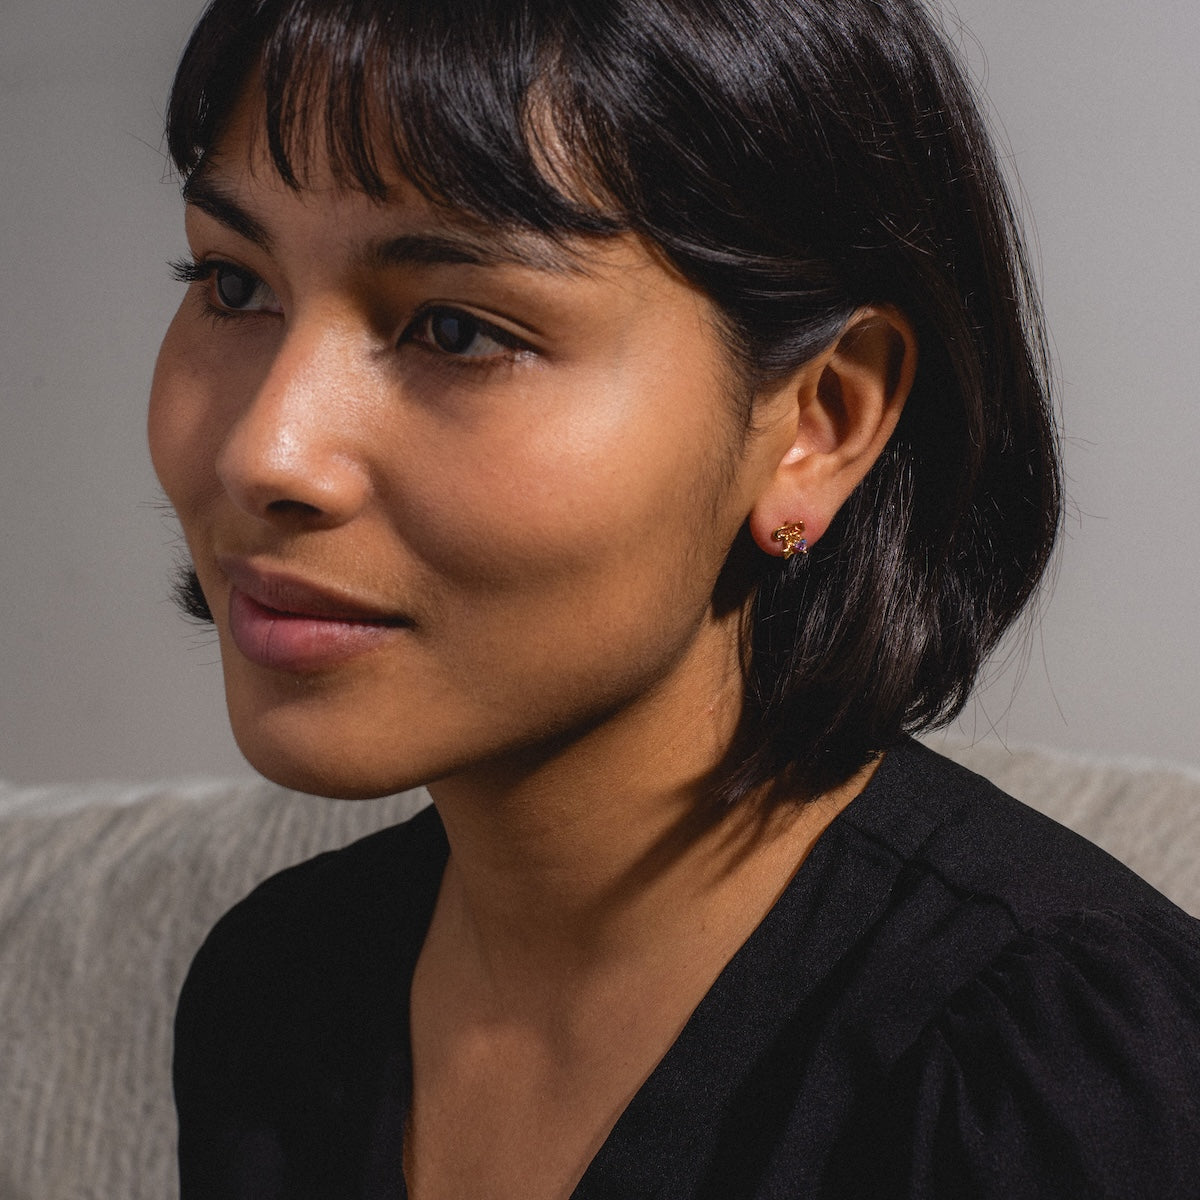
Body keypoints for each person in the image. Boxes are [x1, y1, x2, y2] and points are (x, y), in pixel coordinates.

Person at [152, 0, 1200, 1195]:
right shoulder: (277, 994)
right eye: (233, 287)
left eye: (456, 329)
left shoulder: (1059, 1080)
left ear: (820, 421)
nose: (263, 450)